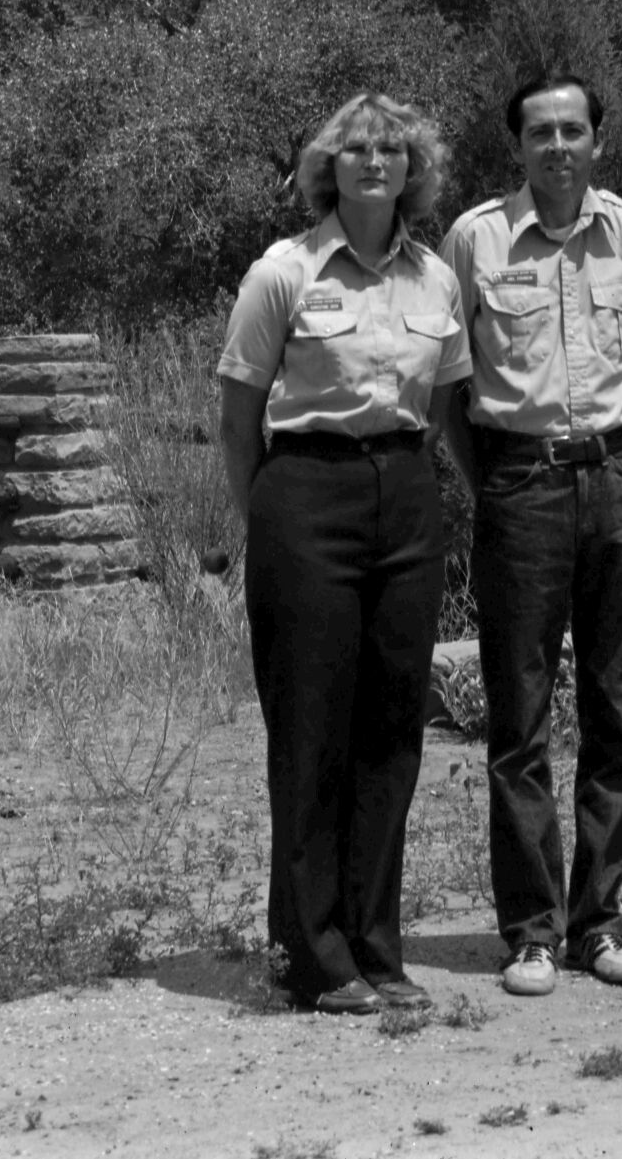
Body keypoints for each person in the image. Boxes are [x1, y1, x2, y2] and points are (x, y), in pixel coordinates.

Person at [215, 92, 471, 1015]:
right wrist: (267, 517)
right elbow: (239, 413)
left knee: (390, 729)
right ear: (330, 165)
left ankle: (375, 943)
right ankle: (311, 956)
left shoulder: (435, 280)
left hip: (404, 495)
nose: (374, 160)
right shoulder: (282, 271)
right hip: (305, 493)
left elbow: (445, 404)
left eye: (392, 148)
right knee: (312, 726)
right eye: (356, 147)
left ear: (413, 169)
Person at [440, 71, 622, 998]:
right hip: (521, 480)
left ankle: (600, 923)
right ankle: (532, 931)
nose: (557, 146)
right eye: (539, 131)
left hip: (621, 476)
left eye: (572, 129)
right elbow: (449, 386)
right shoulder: (476, 238)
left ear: (597, 141)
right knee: (520, 717)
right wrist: (493, 477)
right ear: (517, 146)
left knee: (618, 713)